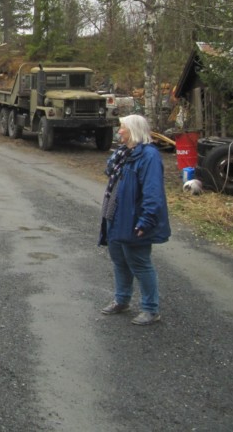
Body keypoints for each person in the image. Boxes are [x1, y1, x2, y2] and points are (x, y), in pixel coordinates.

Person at [98, 114, 171, 325]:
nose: (119, 131)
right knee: (119, 260)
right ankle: (122, 300)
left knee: (140, 263)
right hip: (115, 216)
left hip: (133, 218)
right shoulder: (123, 153)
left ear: (134, 131)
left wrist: (146, 220)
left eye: (122, 128)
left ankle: (150, 309)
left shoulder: (148, 156)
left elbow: (153, 192)